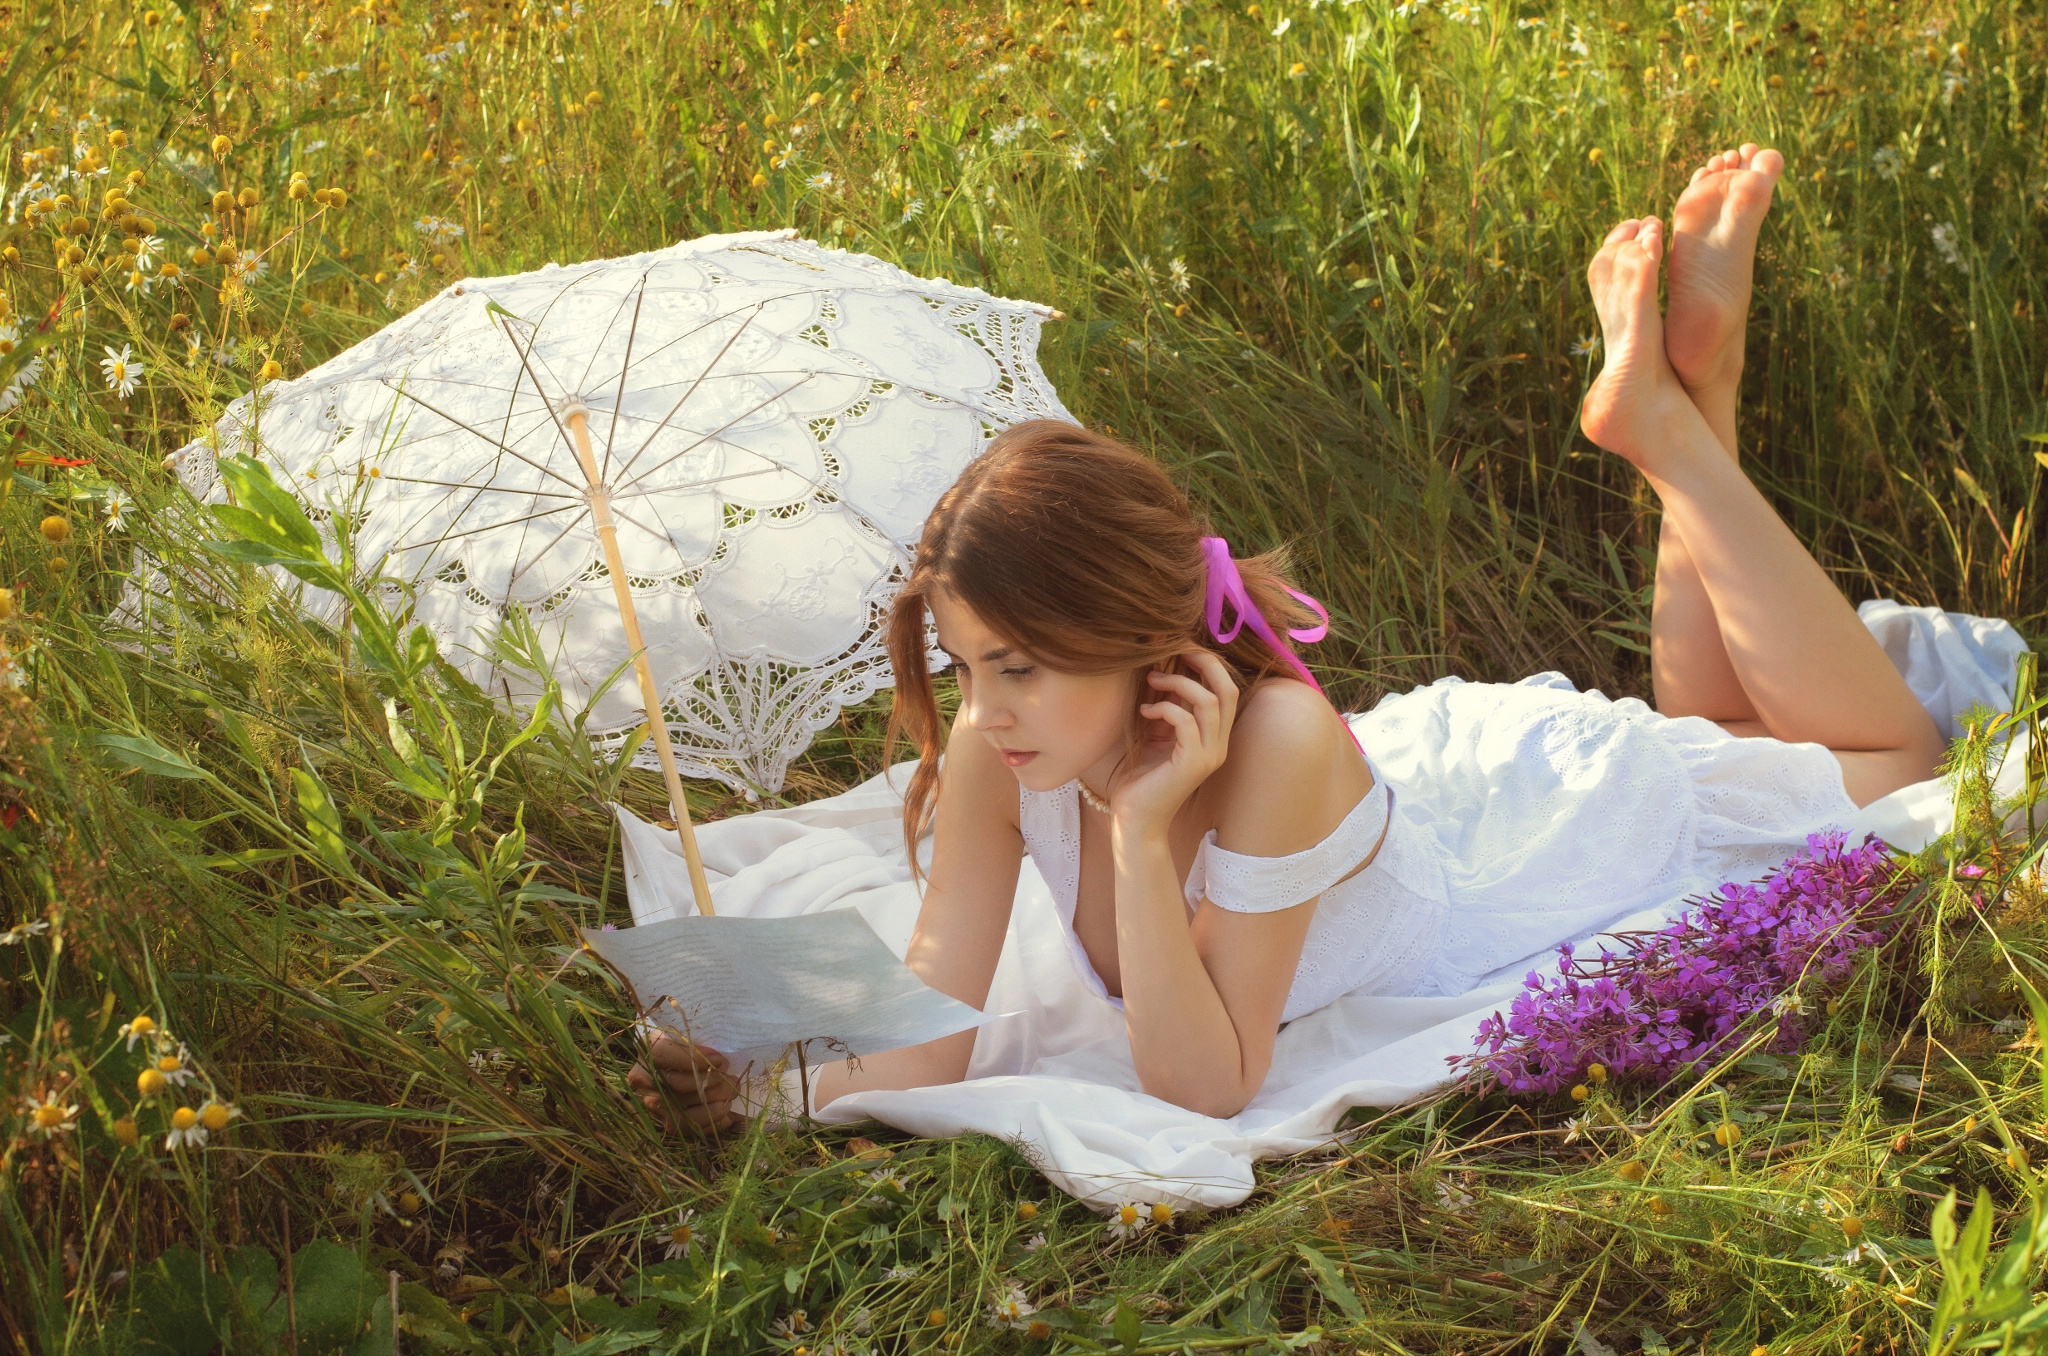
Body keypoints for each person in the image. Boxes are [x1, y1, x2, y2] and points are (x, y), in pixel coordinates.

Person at [628, 144, 1946, 1131]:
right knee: (1727, 728)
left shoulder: (1274, 738)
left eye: (1024, 665)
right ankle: (1691, 392)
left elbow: (1204, 1083)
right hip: (1446, 785)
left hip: (1549, 828)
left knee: (1897, 755)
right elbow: (933, 1018)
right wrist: (757, 1091)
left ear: (1129, 634)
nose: (991, 709)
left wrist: (1143, 844)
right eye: (970, 667)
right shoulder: (996, 746)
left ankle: (1666, 429)